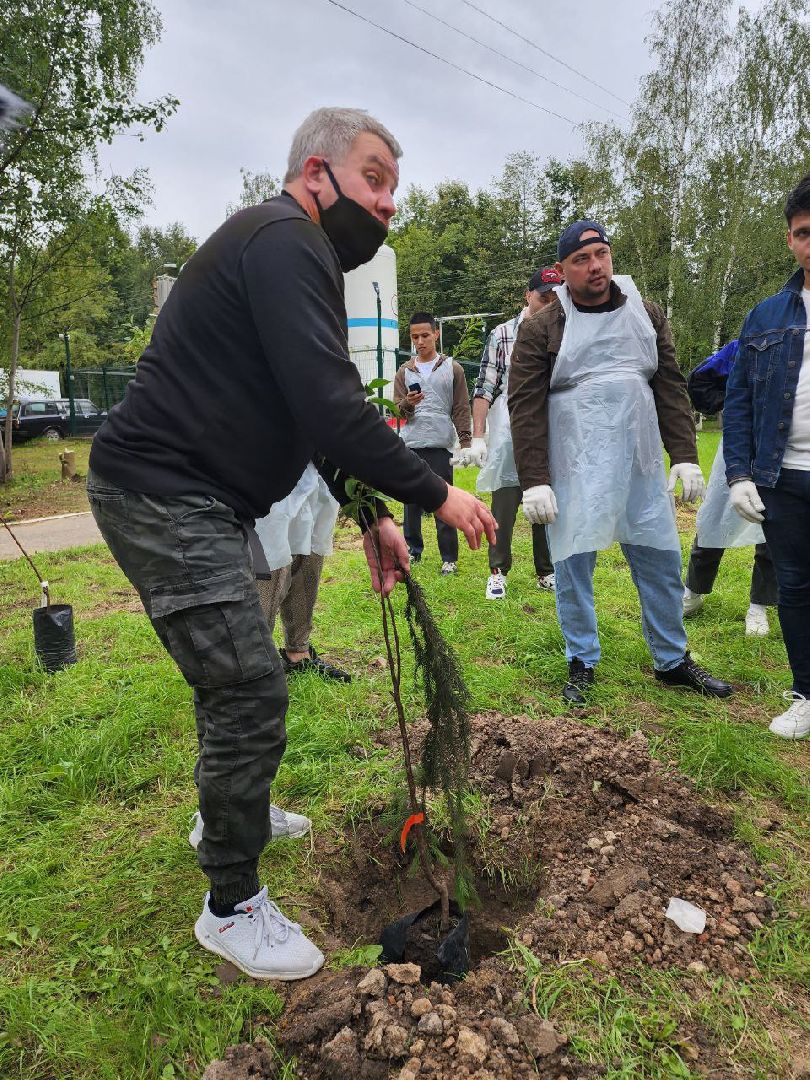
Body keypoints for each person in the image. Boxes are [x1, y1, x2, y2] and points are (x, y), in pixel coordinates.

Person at [86, 107, 496, 981]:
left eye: (396, 186)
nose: (389, 203)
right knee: (248, 688)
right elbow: (333, 407)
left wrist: (376, 516)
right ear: (317, 174)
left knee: (232, 673)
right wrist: (435, 493)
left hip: (203, 499)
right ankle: (230, 904)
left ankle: (230, 807)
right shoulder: (285, 240)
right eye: (375, 178)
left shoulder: (289, 254)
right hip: (164, 494)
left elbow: (309, 416)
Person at [509, 219, 733, 704]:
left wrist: (685, 456)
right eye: (581, 260)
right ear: (562, 270)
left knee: (658, 556)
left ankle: (672, 659)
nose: (595, 267)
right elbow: (524, 405)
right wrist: (535, 480)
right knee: (572, 562)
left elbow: (669, 386)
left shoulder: (645, 314)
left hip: (638, 461)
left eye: (602, 254)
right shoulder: (543, 327)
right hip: (574, 463)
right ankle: (582, 660)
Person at [724, 173, 810, 741]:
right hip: (786, 477)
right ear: (789, 239)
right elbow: (738, 401)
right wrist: (738, 475)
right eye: (803, 232)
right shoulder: (767, 317)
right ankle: (806, 691)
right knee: (797, 588)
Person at [460, 269, 560, 600]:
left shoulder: (562, 330)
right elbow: (485, 386)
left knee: (545, 499)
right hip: (507, 429)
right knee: (504, 502)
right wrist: (478, 436)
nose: (550, 302)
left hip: (547, 425)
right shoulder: (503, 334)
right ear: (527, 296)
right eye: (543, 296)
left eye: (555, 296)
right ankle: (497, 571)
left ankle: (547, 571)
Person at [682, 339, 777, 635]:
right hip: (739, 445)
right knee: (715, 517)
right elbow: (700, 380)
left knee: (773, 524)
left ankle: (759, 606)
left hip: (786, 449)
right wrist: (734, 404)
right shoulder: (748, 343)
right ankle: (693, 592)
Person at [251, 463, 350, 682]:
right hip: (272, 468)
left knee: (310, 555)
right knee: (270, 559)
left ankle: (298, 653)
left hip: (318, 471)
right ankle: (256, 665)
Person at [393, 312, 473, 574]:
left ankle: (449, 557)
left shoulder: (453, 368)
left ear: (436, 334)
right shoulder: (404, 371)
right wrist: (407, 404)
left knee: (443, 499)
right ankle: (412, 550)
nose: (420, 341)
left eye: (425, 335)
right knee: (411, 504)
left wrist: (466, 441)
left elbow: (461, 407)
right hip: (411, 444)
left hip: (440, 445)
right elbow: (396, 411)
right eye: (415, 337)